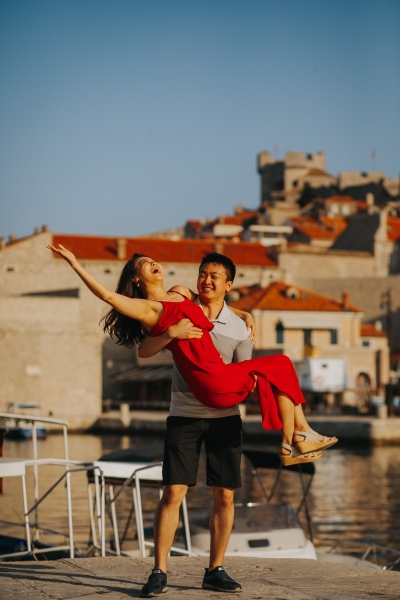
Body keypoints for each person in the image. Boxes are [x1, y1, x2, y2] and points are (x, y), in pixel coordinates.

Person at [47, 243, 336, 465]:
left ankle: (293, 441)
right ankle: (296, 437)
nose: (154, 264)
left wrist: (242, 312)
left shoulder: (182, 293)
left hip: (217, 378)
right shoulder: (149, 310)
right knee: (282, 363)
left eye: (154, 261)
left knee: (279, 370)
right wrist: (75, 264)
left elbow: (209, 301)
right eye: (146, 265)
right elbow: (108, 297)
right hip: (211, 380)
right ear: (136, 279)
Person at [138, 252, 253, 595]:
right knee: (173, 492)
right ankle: (159, 570)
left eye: (215, 276)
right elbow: (144, 350)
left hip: (226, 418)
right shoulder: (183, 307)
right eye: (203, 274)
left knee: (225, 496)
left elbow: (243, 373)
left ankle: (215, 569)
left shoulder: (240, 325)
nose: (207, 280)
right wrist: (171, 333)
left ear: (228, 285)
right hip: (184, 414)